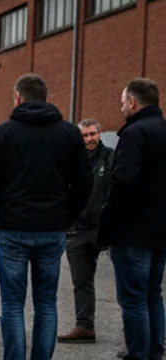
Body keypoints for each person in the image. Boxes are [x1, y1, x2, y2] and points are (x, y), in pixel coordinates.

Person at [0, 74, 92, 360]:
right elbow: (84, 184)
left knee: (12, 305)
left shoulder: (2, 134)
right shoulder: (69, 133)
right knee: (46, 304)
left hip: (12, 229)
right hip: (52, 229)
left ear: (17, 98)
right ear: (45, 96)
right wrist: (64, 217)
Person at [96, 78, 166, 360]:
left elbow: (123, 182)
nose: (121, 106)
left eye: (123, 101)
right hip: (161, 232)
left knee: (135, 300)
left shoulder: (135, 133)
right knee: (153, 296)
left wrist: (107, 218)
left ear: (134, 102)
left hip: (133, 231)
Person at [58, 119, 115, 344]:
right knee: (81, 281)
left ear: (99, 134)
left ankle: (132, 335)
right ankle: (84, 326)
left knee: (126, 282)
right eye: (85, 135)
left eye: (93, 134)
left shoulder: (111, 157)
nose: (90, 139)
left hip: (106, 228)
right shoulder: (71, 162)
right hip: (78, 231)